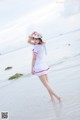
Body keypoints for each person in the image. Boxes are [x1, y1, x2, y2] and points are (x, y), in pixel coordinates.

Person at [27, 31, 61, 102]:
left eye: (36, 39)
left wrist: (32, 69)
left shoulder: (36, 47)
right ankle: (52, 98)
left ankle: (57, 97)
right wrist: (33, 34)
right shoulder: (41, 45)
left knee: (46, 84)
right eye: (34, 39)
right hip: (43, 65)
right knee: (47, 84)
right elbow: (29, 41)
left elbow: (34, 59)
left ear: (39, 39)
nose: (35, 40)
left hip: (38, 67)